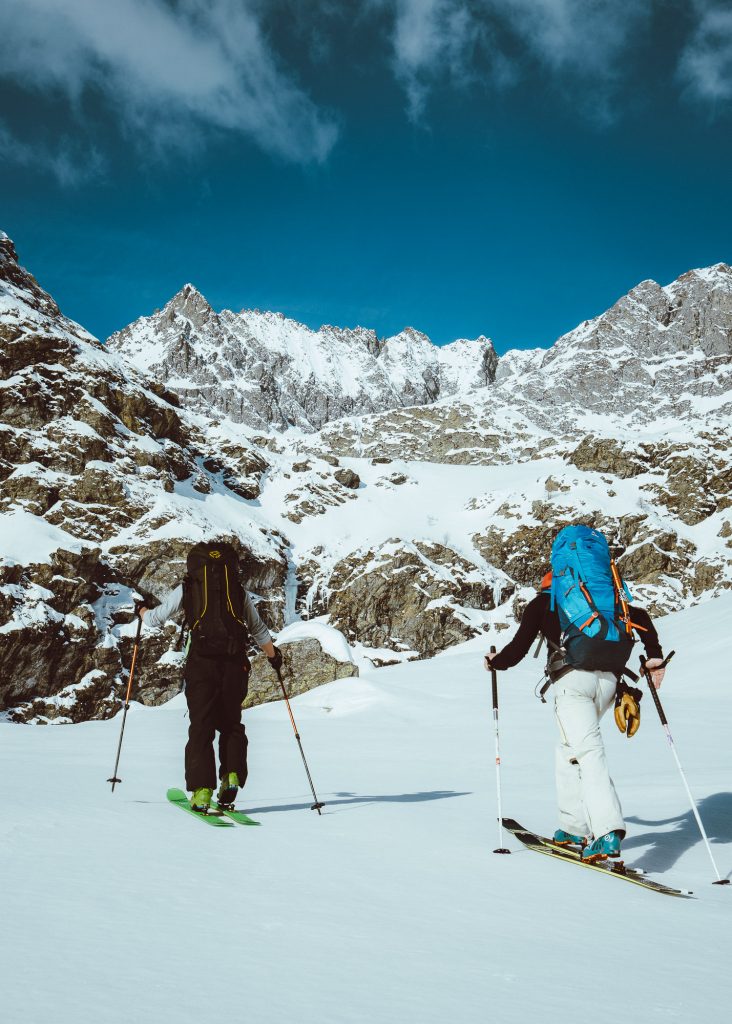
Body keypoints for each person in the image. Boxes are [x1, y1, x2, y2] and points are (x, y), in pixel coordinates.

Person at [485, 539, 667, 862]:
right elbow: (641, 620)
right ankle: (573, 827)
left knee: (587, 750)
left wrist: (494, 662)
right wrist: (654, 656)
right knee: (568, 748)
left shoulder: (544, 603)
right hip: (608, 684)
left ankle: (608, 831)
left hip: (573, 684)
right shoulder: (606, 601)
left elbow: (517, 650)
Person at [140, 541, 281, 813]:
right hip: (234, 664)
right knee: (231, 723)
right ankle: (231, 777)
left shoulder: (189, 587)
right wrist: (273, 655)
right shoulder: (237, 591)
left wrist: (142, 611)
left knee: (201, 726)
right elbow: (258, 629)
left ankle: (202, 792)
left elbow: (155, 620)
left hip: (201, 664)